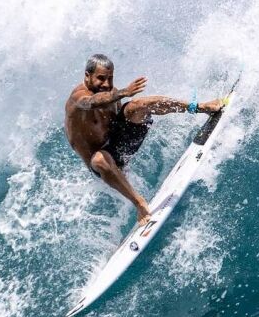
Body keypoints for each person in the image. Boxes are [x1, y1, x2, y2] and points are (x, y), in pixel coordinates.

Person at [64, 54, 224, 225]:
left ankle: (200, 107)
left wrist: (131, 108)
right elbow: (91, 102)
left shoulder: (110, 94)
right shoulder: (77, 99)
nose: (107, 84)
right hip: (102, 162)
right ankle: (139, 204)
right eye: (101, 78)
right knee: (99, 159)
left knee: (139, 104)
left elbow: (119, 117)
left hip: (119, 148)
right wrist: (124, 92)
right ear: (87, 76)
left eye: (110, 78)